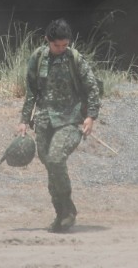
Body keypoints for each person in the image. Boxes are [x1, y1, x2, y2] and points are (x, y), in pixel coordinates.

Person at [17, 19, 101, 232]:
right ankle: (60, 214)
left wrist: (91, 116)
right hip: (45, 122)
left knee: (55, 159)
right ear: (48, 41)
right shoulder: (38, 58)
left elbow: (92, 88)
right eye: (57, 45)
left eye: (65, 45)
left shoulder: (75, 59)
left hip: (71, 121)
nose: (62, 49)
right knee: (51, 167)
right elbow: (31, 93)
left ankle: (68, 211)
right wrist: (24, 121)